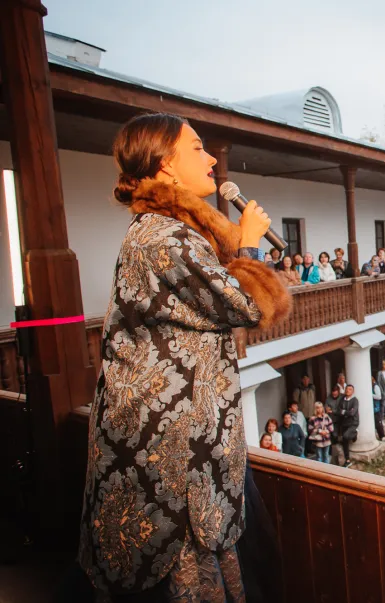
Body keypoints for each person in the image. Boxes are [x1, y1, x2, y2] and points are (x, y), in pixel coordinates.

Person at [79, 113, 294, 597]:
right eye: (197, 148)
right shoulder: (163, 236)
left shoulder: (172, 233)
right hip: (169, 446)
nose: (213, 159)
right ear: (165, 166)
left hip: (187, 434)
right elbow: (243, 303)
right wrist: (250, 243)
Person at [335, 385, 360, 467]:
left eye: (350, 389)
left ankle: (355, 433)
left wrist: (344, 412)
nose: (348, 390)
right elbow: (338, 411)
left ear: (353, 391)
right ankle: (347, 460)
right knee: (344, 441)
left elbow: (352, 413)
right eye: (347, 389)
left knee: (345, 436)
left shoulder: (355, 400)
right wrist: (346, 412)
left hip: (353, 422)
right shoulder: (342, 400)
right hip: (344, 422)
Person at [369, 377, 385, 442]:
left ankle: (382, 435)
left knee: (378, 423)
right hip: (369, 408)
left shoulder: (375, 386)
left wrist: (370, 395)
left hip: (375, 408)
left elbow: (379, 397)